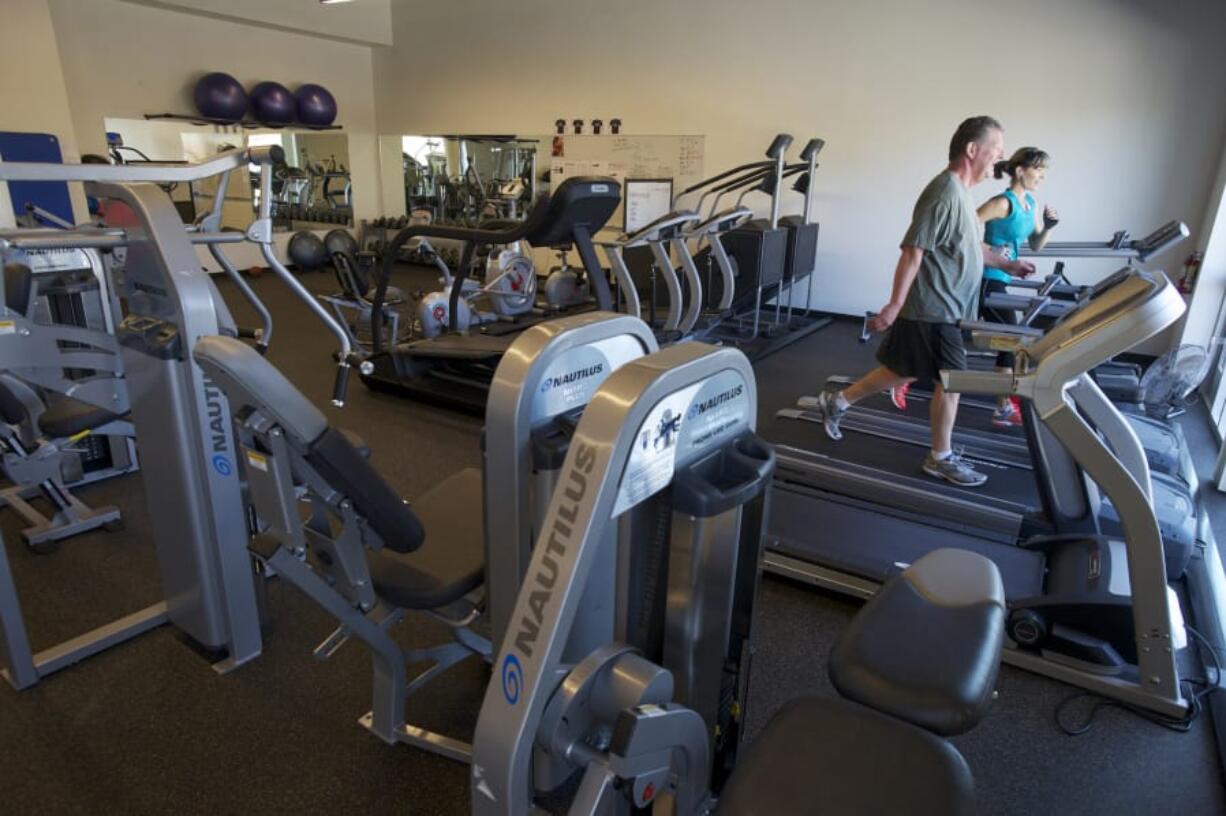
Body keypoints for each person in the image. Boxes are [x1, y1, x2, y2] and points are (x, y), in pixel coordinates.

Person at [799, 116, 1034, 487]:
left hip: (946, 308)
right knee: (954, 381)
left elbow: (974, 249)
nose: (1000, 160)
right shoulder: (943, 192)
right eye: (996, 151)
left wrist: (1008, 263)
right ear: (973, 150)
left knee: (906, 369)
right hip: (936, 308)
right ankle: (939, 457)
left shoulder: (964, 195)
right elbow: (913, 250)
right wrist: (893, 305)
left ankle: (838, 401)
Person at [976, 147, 1059, 426]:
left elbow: (1035, 244)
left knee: (1009, 342)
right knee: (1011, 340)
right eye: (1038, 171)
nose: (1042, 177)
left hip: (1002, 278)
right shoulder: (1003, 203)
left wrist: (1048, 227)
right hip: (986, 278)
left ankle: (1002, 406)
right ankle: (1002, 406)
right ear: (1021, 170)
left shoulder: (1030, 205)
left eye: (1045, 172)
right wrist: (990, 251)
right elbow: (964, 226)